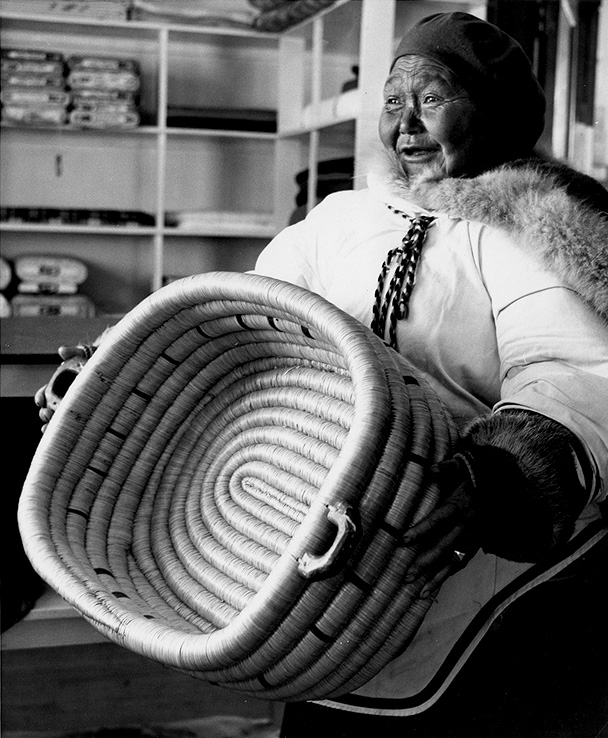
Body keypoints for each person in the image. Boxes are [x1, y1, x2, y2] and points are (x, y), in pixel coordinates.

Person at [34, 12, 608, 738]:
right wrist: (113, 376)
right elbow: (238, 318)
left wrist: (499, 480)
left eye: (430, 99)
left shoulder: (532, 230)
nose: (405, 123)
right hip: (329, 575)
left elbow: (574, 372)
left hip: (480, 582)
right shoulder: (340, 219)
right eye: (393, 102)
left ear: (491, 113)